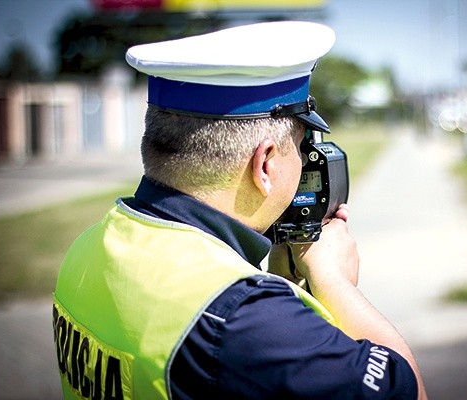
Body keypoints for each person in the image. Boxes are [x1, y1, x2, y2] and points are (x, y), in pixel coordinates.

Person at [52, 21, 427, 400]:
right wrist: (333, 281)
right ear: (265, 164)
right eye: (299, 146)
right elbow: (408, 391)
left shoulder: (85, 249)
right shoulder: (241, 317)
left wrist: (286, 290)